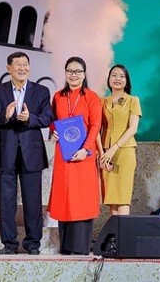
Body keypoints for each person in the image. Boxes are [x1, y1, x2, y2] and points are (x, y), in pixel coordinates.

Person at [0, 51, 54, 255]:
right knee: (7, 201)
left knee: (32, 201)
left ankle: (33, 243)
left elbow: (47, 118)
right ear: (9, 68)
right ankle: (9, 244)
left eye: (26, 64)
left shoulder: (41, 91)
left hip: (31, 153)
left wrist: (30, 118)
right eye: (18, 65)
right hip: (5, 151)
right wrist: (4, 116)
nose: (22, 68)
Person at [48, 56, 102, 255]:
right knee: (65, 197)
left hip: (84, 155)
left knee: (82, 198)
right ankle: (66, 247)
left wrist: (86, 149)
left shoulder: (91, 97)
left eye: (78, 71)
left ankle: (80, 247)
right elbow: (53, 120)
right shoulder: (58, 97)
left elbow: (96, 125)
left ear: (84, 74)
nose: (74, 75)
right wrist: (53, 130)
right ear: (65, 73)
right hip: (64, 155)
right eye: (70, 71)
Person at [98, 64, 142, 216]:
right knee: (112, 198)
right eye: (114, 75)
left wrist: (114, 148)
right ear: (109, 80)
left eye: (122, 76)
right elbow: (97, 128)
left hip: (124, 151)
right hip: (105, 154)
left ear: (126, 81)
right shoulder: (101, 102)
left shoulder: (132, 100)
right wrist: (101, 154)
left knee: (122, 198)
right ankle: (115, 237)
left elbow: (133, 129)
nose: (117, 79)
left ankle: (123, 237)